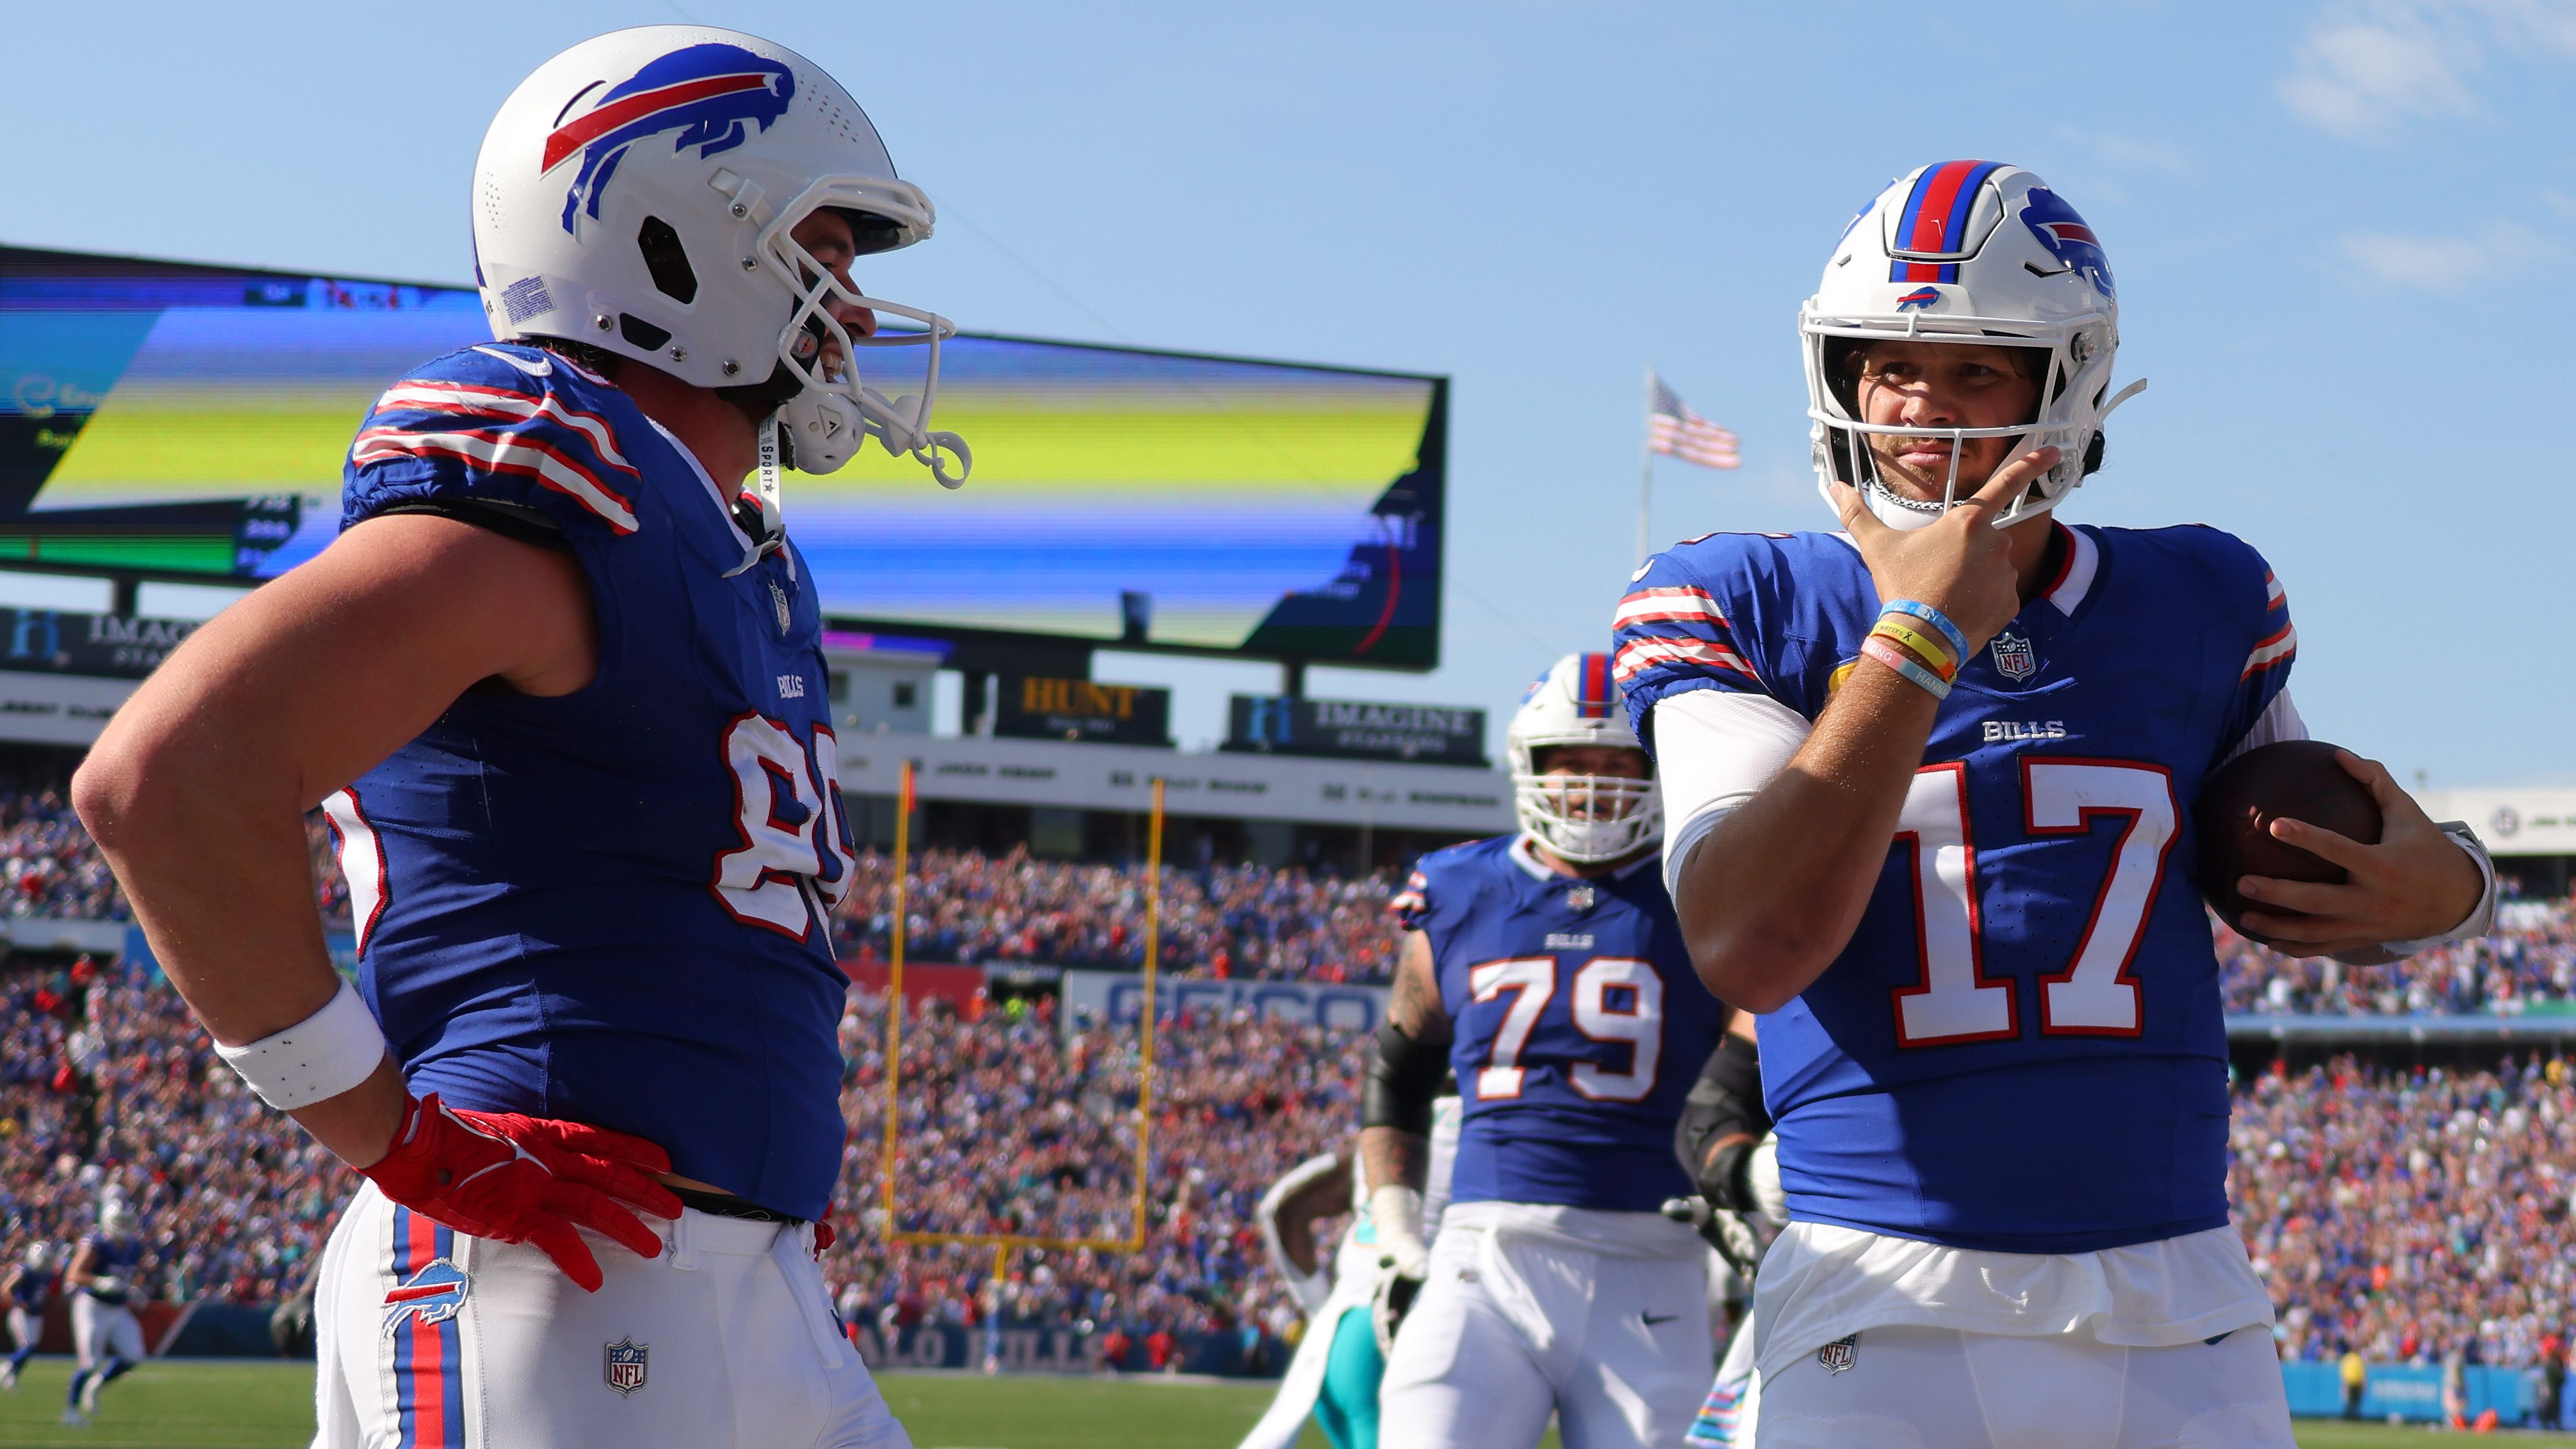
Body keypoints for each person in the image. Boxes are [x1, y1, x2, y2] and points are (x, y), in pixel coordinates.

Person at [71, 26, 968, 1449]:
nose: (853, 307)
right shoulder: (560, 488)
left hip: (728, 1275)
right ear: (679, 242)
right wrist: (388, 1135)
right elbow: (165, 778)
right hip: (552, 1270)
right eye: (828, 249)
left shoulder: (731, 551)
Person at [1612, 160, 2497, 1447]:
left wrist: (2454, 892)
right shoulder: (1745, 600)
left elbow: (2333, 874)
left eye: (1979, 370)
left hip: (2176, 1291)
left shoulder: (2201, 600)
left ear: (2066, 384)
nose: (1922, 407)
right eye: (1890, 365)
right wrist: (1917, 642)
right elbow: (1750, 937)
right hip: (1882, 1287)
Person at [1367, 653, 1729, 1449]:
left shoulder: (1703, 893)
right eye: (1572, 762)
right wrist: (1394, 1230)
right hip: (1484, 1254)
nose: (1595, 786)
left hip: (1654, 1253)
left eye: (1617, 764)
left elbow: (1753, 1075)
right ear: (1529, 765)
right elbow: (1398, 1075)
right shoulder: (1459, 890)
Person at [1237, 1097, 1461, 1449]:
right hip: (1400, 1323)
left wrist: (1319, 1308)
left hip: (1336, 1336)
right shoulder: (1479, 1117)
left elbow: (1282, 1205)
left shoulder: (1383, 1128)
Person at [64, 1201, 147, 1425]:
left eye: (126, 1221)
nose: (123, 1225)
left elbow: (126, 1276)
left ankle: (96, 1385)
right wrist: (98, 1282)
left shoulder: (134, 1246)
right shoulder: (97, 1243)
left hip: (118, 1308)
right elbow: (73, 1275)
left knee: (134, 1355)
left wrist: (133, 1291)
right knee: (90, 1363)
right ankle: (70, 1411)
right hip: (93, 1306)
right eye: (119, 1221)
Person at [2, 1242, 55, 1392]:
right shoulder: (25, 1270)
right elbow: (6, 1288)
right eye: (44, 1259)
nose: (46, 1262)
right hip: (21, 1313)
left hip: (36, 1314)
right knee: (28, 1347)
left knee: (29, 1349)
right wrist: (19, 1303)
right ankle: (6, 1368)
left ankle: (11, 1377)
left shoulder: (48, 1274)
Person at [2339, 1341, 2367, 1419]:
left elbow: (2361, 1372)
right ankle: (2347, 1417)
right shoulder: (2350, 1358)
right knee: (2350, 1401)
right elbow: (2345, 1372)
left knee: (2355, 1402)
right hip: (2350, 1383)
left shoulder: (2356, 1359)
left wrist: (2362, 1382)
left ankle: (2354, 1417)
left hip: (2356, 1383)